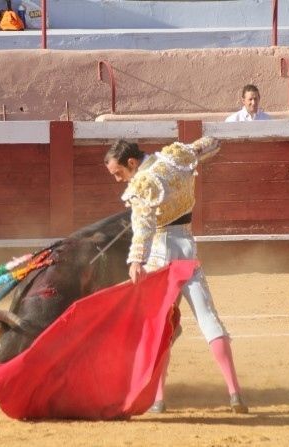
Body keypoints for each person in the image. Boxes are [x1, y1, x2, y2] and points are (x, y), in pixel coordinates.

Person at [104, 137, 248, 415]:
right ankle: (235, 394)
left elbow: (143, 227)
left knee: (160, 327)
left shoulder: (142, 183)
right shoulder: (174, 157)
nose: (118, 180)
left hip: (160, 258)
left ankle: (159, 400)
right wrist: (196, 149)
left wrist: (136, 260)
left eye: (118, 173)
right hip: (187, 249)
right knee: (209, 320)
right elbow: (210, 144)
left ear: (131, 163)